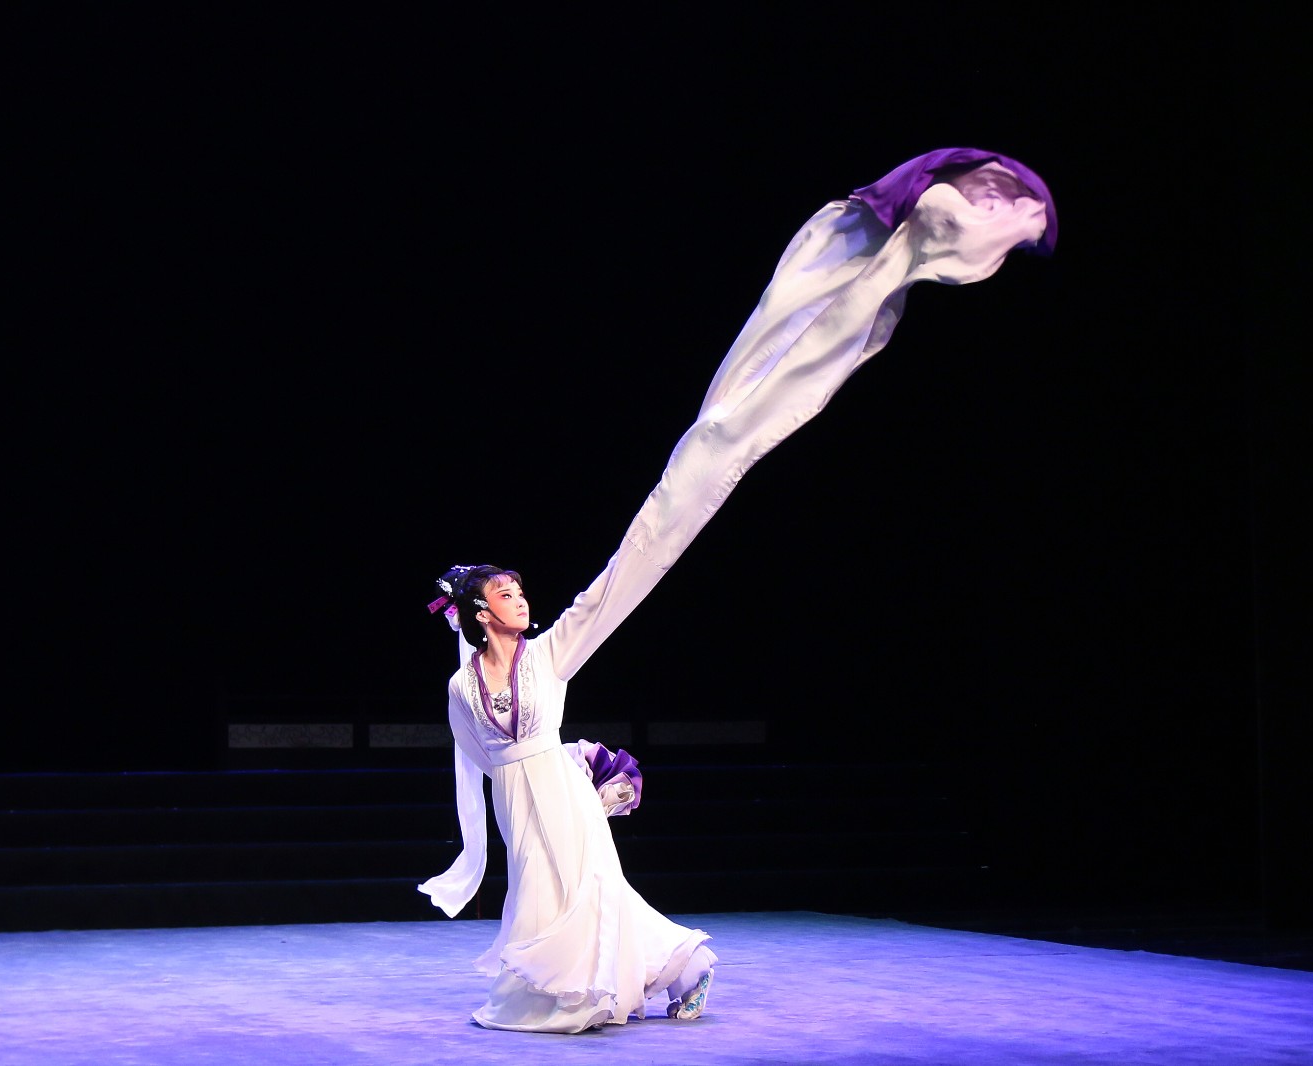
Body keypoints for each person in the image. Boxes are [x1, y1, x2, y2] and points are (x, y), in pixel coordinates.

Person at [419, 148, 1056, 1034]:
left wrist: (573, 764)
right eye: (507, 594)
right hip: (518, 804)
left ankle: (625, 982)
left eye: (523, 590)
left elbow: (623, 574)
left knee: (585, 894)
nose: (523, 601)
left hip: (556, 797)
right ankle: (677, 965)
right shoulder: (463, 685)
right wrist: (476, 847)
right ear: (478, 612)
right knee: (554, 896)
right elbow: (472, 764)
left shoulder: (553, 651)